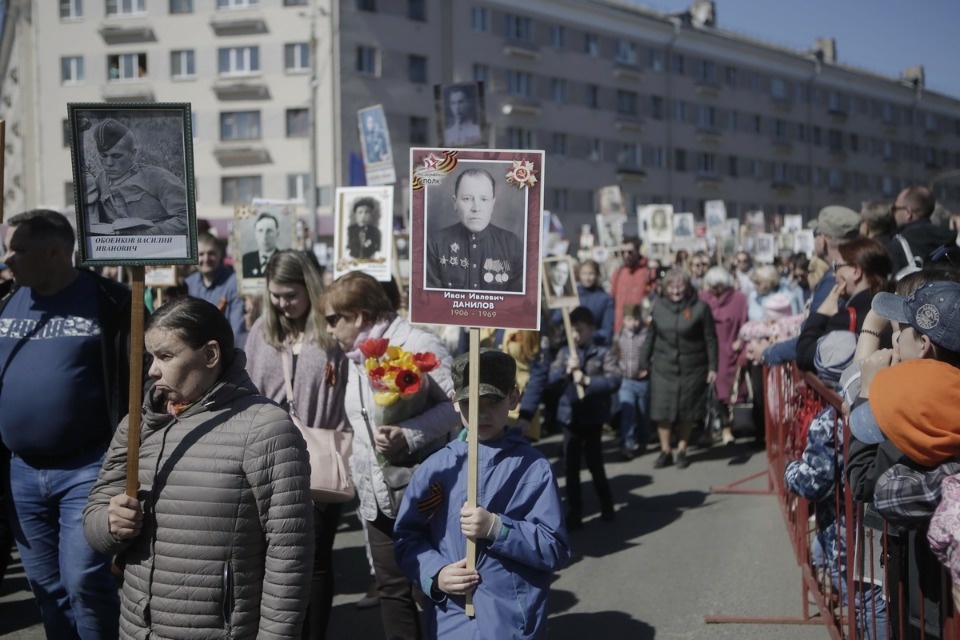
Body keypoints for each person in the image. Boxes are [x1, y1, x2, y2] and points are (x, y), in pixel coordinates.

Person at [83, 297, 315, 638]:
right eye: (151, 357)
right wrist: (111, 523)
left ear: (210, 355)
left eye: (165, 356)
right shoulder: (140, 423)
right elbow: (94, 521)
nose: (152, 370)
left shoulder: (265, 428)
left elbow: (290, 555)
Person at [0, 209, 129, 638]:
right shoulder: (6, 301)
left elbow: (137, 377)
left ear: (54, 252)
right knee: (47, 589)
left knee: (83, 581)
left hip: (87, 469)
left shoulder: (110, 302)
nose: (8, 260)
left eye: (17, 249)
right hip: (21, 472)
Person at [394, 350, 571, 639]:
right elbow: (408, 537)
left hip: (512, 620)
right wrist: (435, 574)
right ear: (454, 400)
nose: (481, 413)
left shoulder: (534, 468)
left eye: (493, 402)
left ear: (514, 398)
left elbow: (555, 547)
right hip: (452, 619)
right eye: (469, 402)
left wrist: (498, 529)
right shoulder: (436, 469)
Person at [324, 271, 460, 639]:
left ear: (361, 316)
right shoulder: (354, 356)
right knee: (392, 589)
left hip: (424, 490)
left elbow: (459, 408)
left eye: (333, 319)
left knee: (429, 586)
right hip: (377, 493)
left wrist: (408, 433)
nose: (330, 329)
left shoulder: (417, 343)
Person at [243, 250, 349, 640]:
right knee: (272, 558)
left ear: (310, 287)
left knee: (316, 559)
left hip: (321, 456)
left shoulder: (332, 333)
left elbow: (347, 395)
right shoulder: (261, 333)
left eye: (290, 295)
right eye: (275, 295)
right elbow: (248, 385)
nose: (282, 304)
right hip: (269, 456)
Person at [548, 306, 620, 528]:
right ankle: (575, 512)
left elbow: (614, 380)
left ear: (591, 328)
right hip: (570, 416)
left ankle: (606, 505)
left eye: (579, 330)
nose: (576, 336)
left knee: (595, 463)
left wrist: (587, 381)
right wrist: (566, 371)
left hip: (593, 416)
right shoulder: (565, 353)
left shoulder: (602, 352)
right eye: (572, 332)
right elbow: (551, 381)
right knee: (571, 467)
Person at [640, 268, 718, 469]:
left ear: (687, 287)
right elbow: (650, 337)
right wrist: (643, 362)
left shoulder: (700, 308)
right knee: (662, 410)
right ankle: (665, 450)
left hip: (693, 367)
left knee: (687, 411)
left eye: (680, 286)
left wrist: (713, 366)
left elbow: (710, 338)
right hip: (663, 368)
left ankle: (682, 449)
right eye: (672, 287)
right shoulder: (658, 307)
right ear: (665, 288)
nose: (676, 291)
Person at [795, 237, 892, 373]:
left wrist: (820, 315)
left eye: (837, 266)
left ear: (856, 272)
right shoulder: (893, 306)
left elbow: (805, 356)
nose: (834, 274)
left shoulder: (846, 318)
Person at [426, 168, 523, 292]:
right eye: (467, 198)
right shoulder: (435, 244)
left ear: (492, 204)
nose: (476, 208)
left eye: (484, 199)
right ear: (455, 202)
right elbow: (430, 303)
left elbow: (519, 304)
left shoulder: (512, 244)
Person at [86, 118, 188, 235]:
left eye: (116, 156)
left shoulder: (157, 178)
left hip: (159, 249)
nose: (109, 163)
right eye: (104, 156)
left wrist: (148, 235)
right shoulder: (100, 181)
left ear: (132, 154)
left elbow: (186, 218)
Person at [699, 266, 748, 445]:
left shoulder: (739, 299)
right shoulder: (703, 299)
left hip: (728, 352)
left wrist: (741, 345)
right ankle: (709, 430)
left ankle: (727, 428)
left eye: (717, 286)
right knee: (708, 395)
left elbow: (745, 324)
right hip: (707, 352)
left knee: (726, 395)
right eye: (711, 286)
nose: (714, 290)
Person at [185, 231, 247, 348]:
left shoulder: (233, 282)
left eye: (211, 253)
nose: (206, 258)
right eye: (201, 254)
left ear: (220, 254)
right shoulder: (189, 283)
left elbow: (237, 326)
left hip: (225, 348)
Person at [886, 185, 957, 279]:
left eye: (895, 209)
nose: (893, 213)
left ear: (908, 212)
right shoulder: (950, 238)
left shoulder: (898, 243)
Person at [615, 303, 650, 459]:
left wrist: (648, 367)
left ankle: (643, 441)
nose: (633, 323)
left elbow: (652, 353)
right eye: (629, 319)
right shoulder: (618, 336)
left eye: (636, 319)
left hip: (642, 381)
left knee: (643, 413)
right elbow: (615, 355)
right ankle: (626, 444)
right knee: (627, 411)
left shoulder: (645, 335)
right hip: (625, 380)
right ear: (623, 320)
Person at [610, 236, 651, 333]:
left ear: (637, 251)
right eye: (622, 252)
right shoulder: (619, 272)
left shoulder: (647, 272)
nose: (626, 255)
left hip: (641, 328)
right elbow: (612, 297)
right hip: (621, 328)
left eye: (630, 252)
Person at [575, 259, 614, 345]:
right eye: (584, 274)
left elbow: (607, 330)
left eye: (591, 274)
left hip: (595, 347)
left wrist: (588, 335)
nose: (587, 278)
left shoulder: (605, 299)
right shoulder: (573, 295)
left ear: (597, 275)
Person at [242, 211, 281, 279]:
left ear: (277, 234)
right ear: (255, 234)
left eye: (269, 231)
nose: (264, 237)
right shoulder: (246, 260)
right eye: (260, 231)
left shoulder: (285, 259)